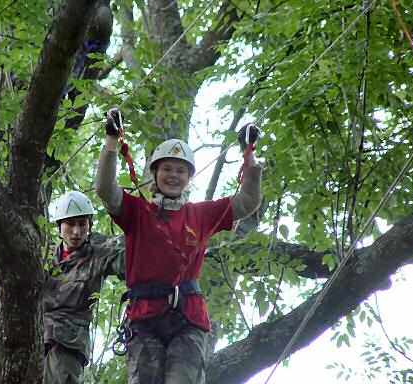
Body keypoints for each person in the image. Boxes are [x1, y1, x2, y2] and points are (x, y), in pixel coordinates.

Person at [95, 109, 263, 384]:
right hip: (145, 318)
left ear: (189, 177)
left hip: (188, 319)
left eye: (180, 170)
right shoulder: (137, 212)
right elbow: (105, 188)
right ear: (155, 174)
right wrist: (112, 141)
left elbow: (247, 201)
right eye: (167, 169)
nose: (173, 175)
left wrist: (249, 154)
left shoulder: (201, 215)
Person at [43, 190, 116, 384]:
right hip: (36, 338)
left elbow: (127, 260)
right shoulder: (44, 255)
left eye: (82, 224)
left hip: (68, 344)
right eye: (70, 224)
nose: (76, 232)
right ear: (60, 226)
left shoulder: (99, 253)